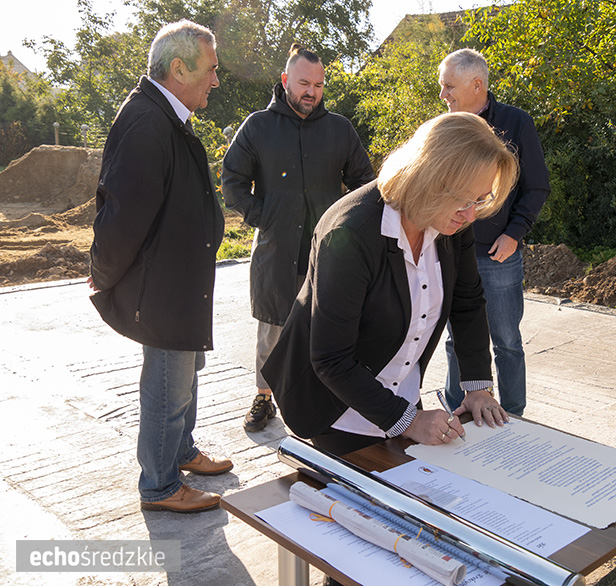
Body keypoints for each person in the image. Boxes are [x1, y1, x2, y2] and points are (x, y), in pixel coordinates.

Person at [262, 112, 519, 460]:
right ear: (430, 176)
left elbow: (467, 302)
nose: (471, 215)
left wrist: (477, 386)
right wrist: (409, 421)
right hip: (335, 411)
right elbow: (330, 358)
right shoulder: (350, 233)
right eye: (464, 200)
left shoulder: (452, 220)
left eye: (480, 200)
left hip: (401, 401)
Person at [88, 20, 232, 513]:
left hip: (181, 282)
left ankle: (181, 452)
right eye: (210, 70)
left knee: (186, 375)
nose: (216, 80)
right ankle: (160, 485)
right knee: (168, 386)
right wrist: (102, 274)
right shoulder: (148, 122)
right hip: (164, 287)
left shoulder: (166, 114)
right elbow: (121, 215)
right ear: (179, 69)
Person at [222, 43, 375, 434]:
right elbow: (232, 182)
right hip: (276, 251)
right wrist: (265, 217)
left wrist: (349, 223)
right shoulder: (258, 126)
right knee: (272, 331)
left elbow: (365, 182)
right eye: (305, 83)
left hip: (332, 254)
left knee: (332, 329)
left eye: (319, 85)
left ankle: (331, 400)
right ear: (286, 80)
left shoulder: (340, 129)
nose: (312, 92)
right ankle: (264, 397)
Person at [438, 48, 551, 417]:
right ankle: (458, 412)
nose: (443, 94)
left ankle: (514, 415)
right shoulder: (445, 129)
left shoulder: (516, 123)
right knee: (456, 340)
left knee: (507, 342)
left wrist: (514, 233)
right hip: (452, 254)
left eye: (449, 86)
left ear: (477, 85)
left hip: (497, 255)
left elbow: (537, 187)